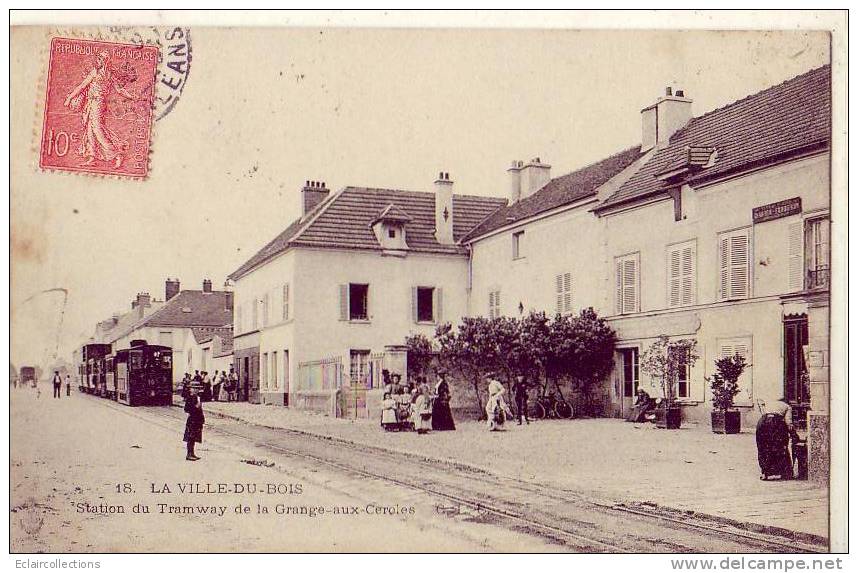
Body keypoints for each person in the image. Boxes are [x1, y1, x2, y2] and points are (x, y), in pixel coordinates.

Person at [63, 50, 142, 168]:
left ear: (104, 61)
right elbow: (82, 86)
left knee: (97, 130)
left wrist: (131, 97)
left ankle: (117, 154)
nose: (97, 61)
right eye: (97, 59)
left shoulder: (106, 74)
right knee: (90, 129)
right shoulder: (96, 72)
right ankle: (92, 157)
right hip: (90, 103)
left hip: (98, 103)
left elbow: (119, 90)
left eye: (100, 59)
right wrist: (70, 98)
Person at [756, 397, 794, 480]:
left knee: (763, 448)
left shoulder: (770, 403)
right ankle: (784, 473)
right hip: (776, 423)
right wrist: (793, 434)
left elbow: (763, 412)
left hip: (762, 423)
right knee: (780, 447)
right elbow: (788, 423)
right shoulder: (787, 407)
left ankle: (765, 473)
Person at [183, 385, 205, 461]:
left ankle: (192, 453)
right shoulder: (189, 398)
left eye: (198, 389)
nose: (196, 390)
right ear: (191, 389)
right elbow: (186, 409)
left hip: (197, 420)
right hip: (192, 420)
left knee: (194, 437)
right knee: (190, 437)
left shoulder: (197, 397)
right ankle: (189, 454)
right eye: (195, 388)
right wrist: (195, 407)